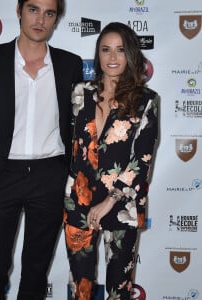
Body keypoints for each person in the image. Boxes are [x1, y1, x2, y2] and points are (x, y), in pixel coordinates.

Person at [0, 0, 83, 299]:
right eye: (33, 9)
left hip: (50, 176)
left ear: (56, 19)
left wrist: (70, 176)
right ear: (19, 11)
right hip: (0, 175)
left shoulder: (70, 64)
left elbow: (79, 127)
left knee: (35, 271)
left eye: (49, 12)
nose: (40, 19)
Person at [64, 22, 159, 300]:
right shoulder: (80, 93)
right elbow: (70, 144)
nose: (113, 57)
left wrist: (109, 201)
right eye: (106, 50)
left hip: (121, 206)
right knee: (79, 288)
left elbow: (142, 160)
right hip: (78, 202)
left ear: (131, 55)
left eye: (120, 50)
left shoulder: (146, 100)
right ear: (99, 55)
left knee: (119, 289)